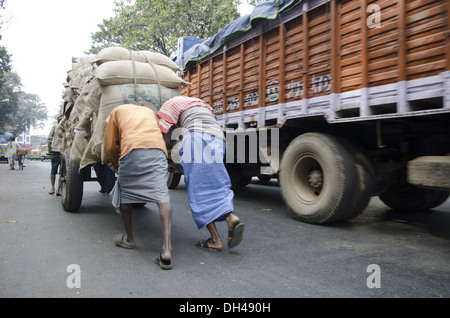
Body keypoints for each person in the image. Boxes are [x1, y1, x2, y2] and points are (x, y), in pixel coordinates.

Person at [158, 96, 244, 252]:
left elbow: (163, 132)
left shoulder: (169, 104)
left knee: (199, 190)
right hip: (219, 139)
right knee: (218, 183)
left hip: (197, 139)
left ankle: (216, 240)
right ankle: (230, 217)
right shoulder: (201, 104)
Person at [104, 104, 173, 270]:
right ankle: (167, 249)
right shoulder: (149, 111)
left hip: (131, 148)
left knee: (126, 194)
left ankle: (129, 239)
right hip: (158, 150)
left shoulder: (116, 111)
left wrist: (115, 162)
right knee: (162, 197)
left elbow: (110, 144)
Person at [47, 124, 62, 195]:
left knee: (53, 171)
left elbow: (49, 139)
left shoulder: (55, 126)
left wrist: (49, 150)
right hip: (65, 152)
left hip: (55, 151)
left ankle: (52, 188)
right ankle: (58, 190)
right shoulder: (69, 125)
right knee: (62, 172)